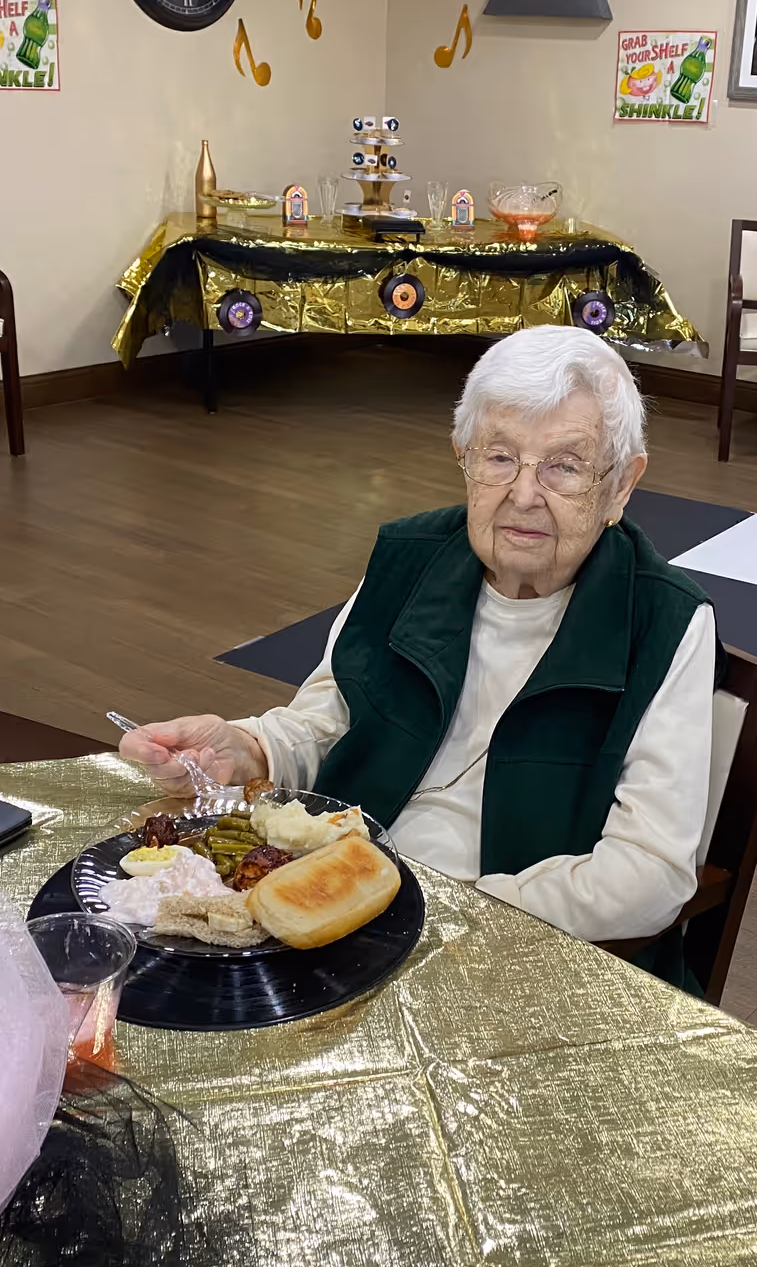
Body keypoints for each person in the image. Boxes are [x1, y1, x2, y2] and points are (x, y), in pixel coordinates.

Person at [121, 326, 720, 985]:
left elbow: (649, 874)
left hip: (504, 954)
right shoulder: (411, 560)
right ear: (463, 456)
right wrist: (246, 748)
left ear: (622, 486)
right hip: (335, 912)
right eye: (499, 457)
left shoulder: (663, 621)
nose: (523, 494)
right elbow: (329, 716)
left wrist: (437, 908)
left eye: (566, 466)